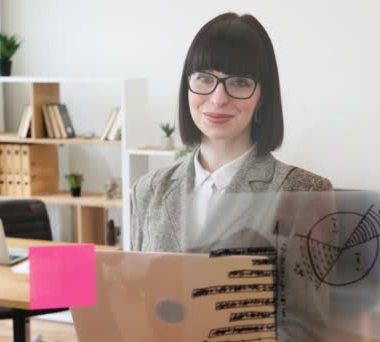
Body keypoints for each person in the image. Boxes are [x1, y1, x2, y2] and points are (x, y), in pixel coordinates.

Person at [130, 12, 333, 341]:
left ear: (262, 94)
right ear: (187, 85)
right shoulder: (148, 191)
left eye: (239, 82)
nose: (218, 98)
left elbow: (310, 330)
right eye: (204, 78)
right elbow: (136, 296)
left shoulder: (303, 194)